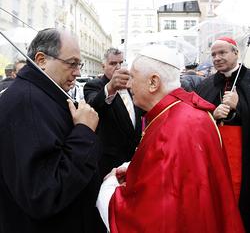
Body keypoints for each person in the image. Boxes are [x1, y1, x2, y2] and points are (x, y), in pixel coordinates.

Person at [96, 44, 244, 233]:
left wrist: (109, 187)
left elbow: (150, 216)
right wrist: (130, 169)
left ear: (153, 82)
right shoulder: (179, 113)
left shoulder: (176, 127)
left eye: (133, 77)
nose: (128, 84)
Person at [0, 28, 102, 233]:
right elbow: (44, 193)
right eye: (71, 63)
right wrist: (84, 131)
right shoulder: (27, 103)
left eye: (79, 64)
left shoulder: (41, 94)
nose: (78, 72)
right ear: (41, 60)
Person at [196, 36, 250, 232]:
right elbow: (194, 119)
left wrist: (240, 106)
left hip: (243, 153)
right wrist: (212, 115)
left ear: (236, 53)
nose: (217, 58)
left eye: (222, 52)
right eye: (213, 54)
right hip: (216, 150)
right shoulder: (205, 85)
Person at [84, 47, 142, 180]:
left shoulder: (130, 86)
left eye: (121, 63)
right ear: (103, 66)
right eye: (113, 63)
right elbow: (94, 105)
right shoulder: (94, 85)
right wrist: (110, 87)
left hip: (132, 160)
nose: (118, 67)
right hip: (108, 163)